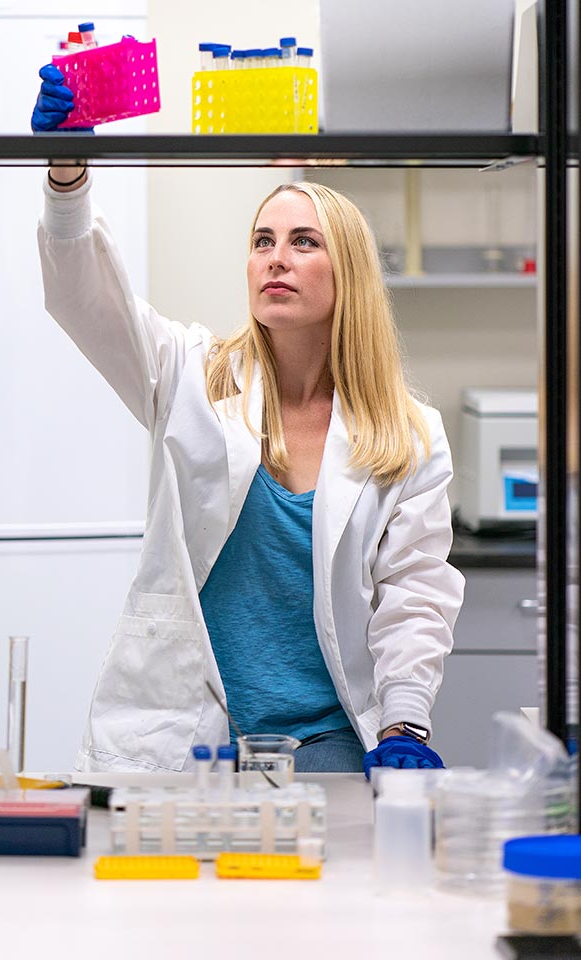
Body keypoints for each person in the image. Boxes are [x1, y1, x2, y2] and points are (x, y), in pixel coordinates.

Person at [33, 67, 465, 776]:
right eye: (263, 240)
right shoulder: (192, 374)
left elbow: (415, 596)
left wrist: (407, 724)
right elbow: (86, 300)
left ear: (347, 272)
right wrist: (66, 179)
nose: (275, 258)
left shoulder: (408, 435)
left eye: (303, 242)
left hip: (324, 741)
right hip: (187, 734)